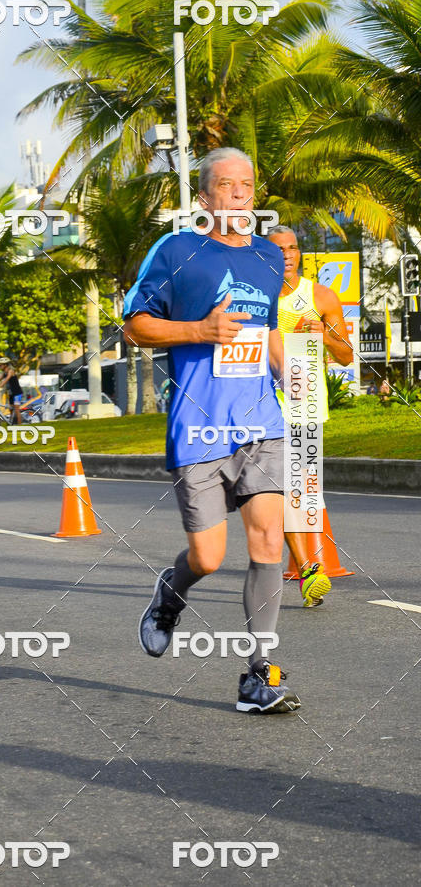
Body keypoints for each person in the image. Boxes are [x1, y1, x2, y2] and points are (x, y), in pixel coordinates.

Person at [124, 147, 300, 714]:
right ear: (205, 198)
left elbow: (269, 332)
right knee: (207, 558)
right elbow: (134, 327)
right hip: (199, 427)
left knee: (269, 541)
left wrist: (292, 373)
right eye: (228, 186)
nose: (241, 194)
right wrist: (200, 328)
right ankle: (168, 597)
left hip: (261, 423)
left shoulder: (270, 259)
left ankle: (259, 674)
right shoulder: (176, 251)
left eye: (248, 184)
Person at [268, 225, 353, 608]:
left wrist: (324, 335)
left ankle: (307, 568)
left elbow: (347, 355)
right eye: (278, 249)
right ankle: (307, 568)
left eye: (293, 248)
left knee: (301, 493)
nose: (287, 254)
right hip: (262, 401)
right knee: (279, 489)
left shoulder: (321, 296)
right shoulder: (255, 298)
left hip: (305, 401)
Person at [0, 357, 23, 423]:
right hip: (11, 393)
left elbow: (6, 379)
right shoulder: (4, 373)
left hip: (17, 393)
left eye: (0, 365)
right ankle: (13, 424)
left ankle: (20, 426)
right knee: (11, 410)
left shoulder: (11, 371)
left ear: (5, 365)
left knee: (16, 409)